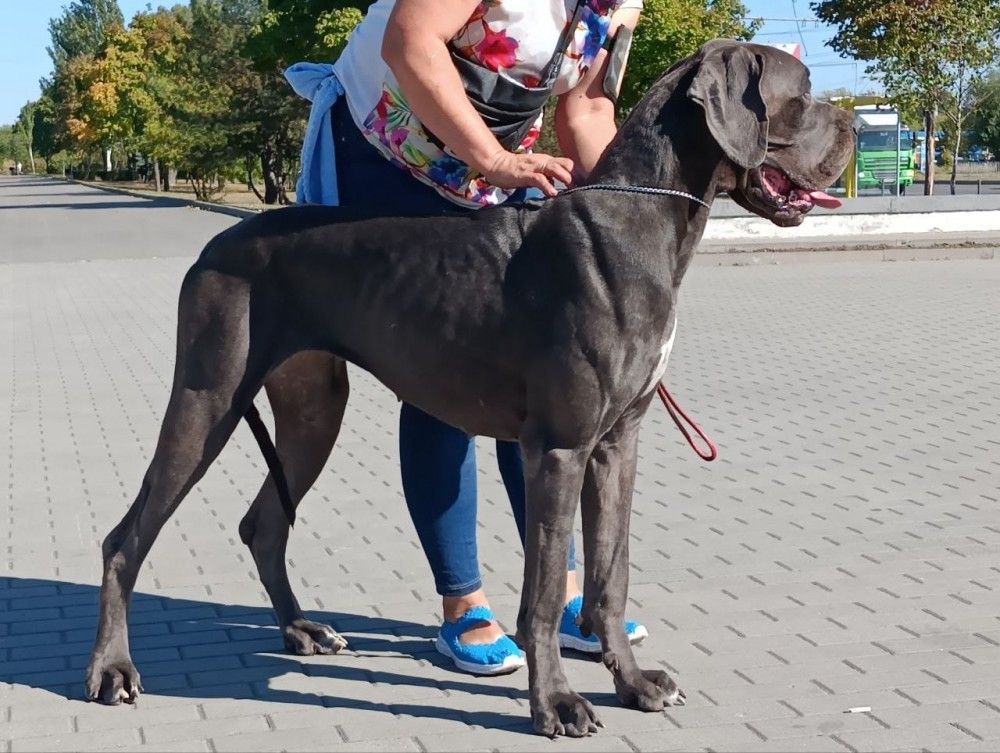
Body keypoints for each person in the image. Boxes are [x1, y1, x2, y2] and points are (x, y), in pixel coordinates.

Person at [287, 0, 647, 675]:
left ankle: (563, 595)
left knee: (537, 375)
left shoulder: (620, 2)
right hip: (389, 147)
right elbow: (409, 41)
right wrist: (492, 159)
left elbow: (587, 108)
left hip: (498, 162)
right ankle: (463, 604)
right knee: (444, 376)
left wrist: (621, 217)